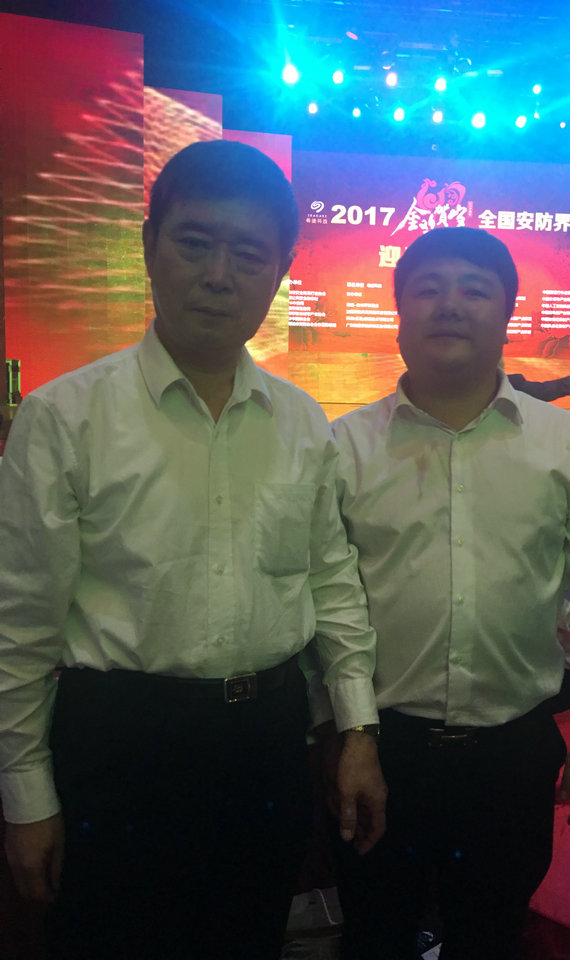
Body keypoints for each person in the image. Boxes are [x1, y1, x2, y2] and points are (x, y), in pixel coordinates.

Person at [0, 140, 386, 960]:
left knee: (246, 940)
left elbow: (331, 581)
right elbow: (19, 623)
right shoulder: (65, 418)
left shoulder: (301, 422)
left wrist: (355, 728)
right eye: (195, 243)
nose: (218, 275)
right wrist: (26, 794)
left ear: (280, 272)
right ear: (151, 247)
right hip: (121, 742)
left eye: (248, 255)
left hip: (268, 741)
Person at [328, 227, 570, 960]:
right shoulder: (344, 448)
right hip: (382, 748)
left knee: (493, 936)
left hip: (513, 753)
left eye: (474, 290)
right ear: (399, 311)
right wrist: (349, 735)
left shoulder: (564, 444)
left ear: (506, 313)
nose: (450, 305)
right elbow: (331, 602)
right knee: (374, 935)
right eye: (428, 289)